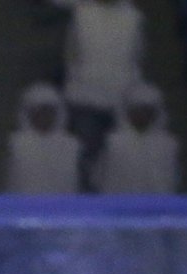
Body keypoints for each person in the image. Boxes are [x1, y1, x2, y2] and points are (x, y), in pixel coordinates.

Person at [62, 0, 146, 174]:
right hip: (85, 99)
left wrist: (132, 90)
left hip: (122, 100)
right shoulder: (81, 12)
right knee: (86, 159)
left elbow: (138, 55)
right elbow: (71, 53)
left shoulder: (133, 17)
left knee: (121, 163)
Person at [94, 81, 179, 195]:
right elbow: (99, 178)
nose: (142, 116)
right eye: (137, 110)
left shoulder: (168, 144)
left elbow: (171, 181)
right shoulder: (113, 142)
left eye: (147, 111)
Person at [6, 84, 83, 195]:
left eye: (48, 111)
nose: (43, 116)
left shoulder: (72, 145)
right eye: (38, 112)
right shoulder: (17, 143)